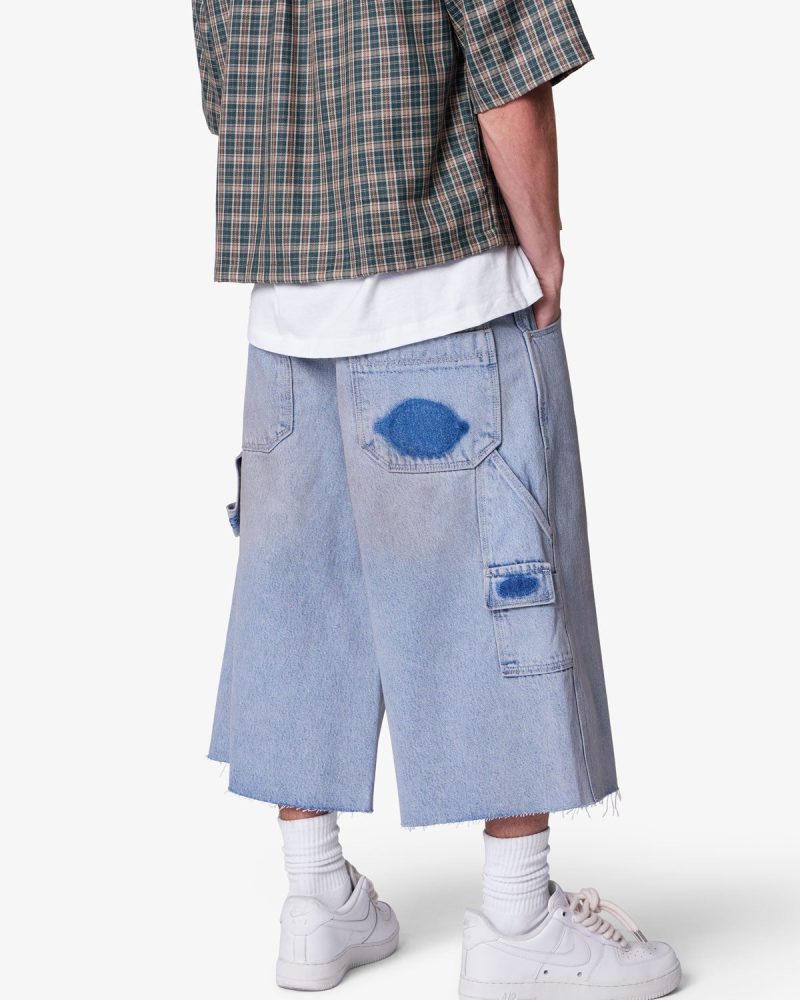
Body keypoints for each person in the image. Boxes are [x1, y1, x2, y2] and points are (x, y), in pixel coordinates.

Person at [191, 1, 681, 996]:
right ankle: (519, 918)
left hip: (287, 316)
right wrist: (543, 247)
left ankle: (316, 899)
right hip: (442, 283)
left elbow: (222, 94)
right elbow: (510, 68)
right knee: (496, 586)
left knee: (299, 594)